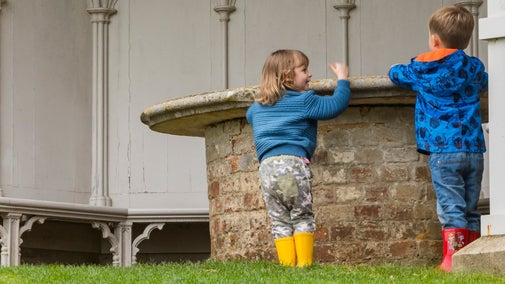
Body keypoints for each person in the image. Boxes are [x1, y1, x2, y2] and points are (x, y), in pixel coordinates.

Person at [388, 6, 488, 272]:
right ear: (466, 40)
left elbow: (395, 73)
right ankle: (472, 258)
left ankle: (452, 260)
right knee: (470, 206)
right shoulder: (474, 67)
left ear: (434, 39)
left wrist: (396, 67)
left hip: (443, 151)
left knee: (450, 206)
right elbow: (485, 81)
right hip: (474, 149)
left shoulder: (422, 68)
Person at [246, 49, 350, 267]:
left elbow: (250, 116)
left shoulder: (257, 108)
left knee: (280, 219)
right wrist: (342, 80)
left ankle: (287, 266)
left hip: (267, 170)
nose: (309, 74)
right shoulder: (305, 101)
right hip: (292, 166)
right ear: (286, 76)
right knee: (301, 216)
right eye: (304, 70)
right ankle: (303, 266)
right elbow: (334, 106)